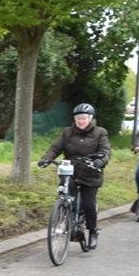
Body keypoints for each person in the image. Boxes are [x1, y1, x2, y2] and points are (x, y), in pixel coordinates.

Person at [37, 103, 111, 250]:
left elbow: (105, 150)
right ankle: (64, 219)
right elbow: (55, 148)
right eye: (78, 118)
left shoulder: (100, 132)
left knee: (88, 205)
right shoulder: (67, 132)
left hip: (90, 172)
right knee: (65, 195)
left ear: (90, 118)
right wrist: (46, 158)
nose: (80, 121)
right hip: (70, 171)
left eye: (84, 118)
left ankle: (93, 231)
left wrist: (101, 161)